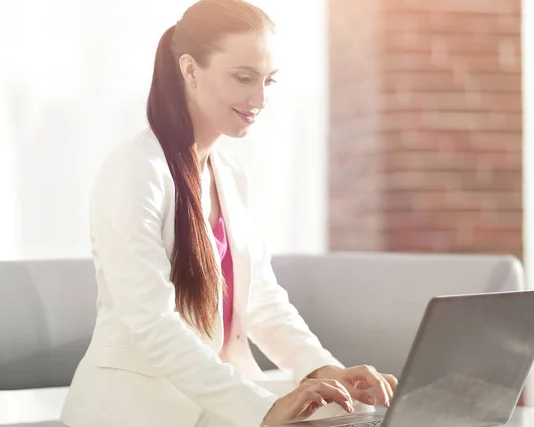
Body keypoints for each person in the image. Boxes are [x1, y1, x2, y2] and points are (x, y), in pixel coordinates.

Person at [60, 1, 397, 426]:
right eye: (243, 78)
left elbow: (262, 301)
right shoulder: (133, 172)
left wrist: (325, 370)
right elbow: (152, 324)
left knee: (354, 408)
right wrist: (265, 409)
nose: (259, 99)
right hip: (140, 409)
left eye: (268, 81)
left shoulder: (231, 174)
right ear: (190, 70)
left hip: (218, 402)